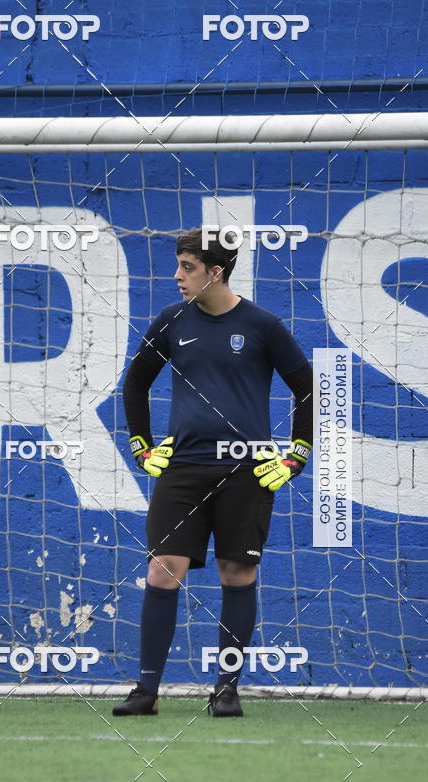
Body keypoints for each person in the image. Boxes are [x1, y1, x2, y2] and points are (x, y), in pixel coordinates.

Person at [112, 227, 313, 717]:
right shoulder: (171, 321)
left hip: (246, 471)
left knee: (237, 572)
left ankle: (226, 689)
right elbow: (134, 385)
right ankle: (147, 691)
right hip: (182, 470)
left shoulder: (263, 325)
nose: (177, 276)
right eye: (179, 265)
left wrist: (296, 456)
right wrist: (142, 448)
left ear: (215, 271)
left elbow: (307, 386)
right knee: (163, 572)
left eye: (188, 267)